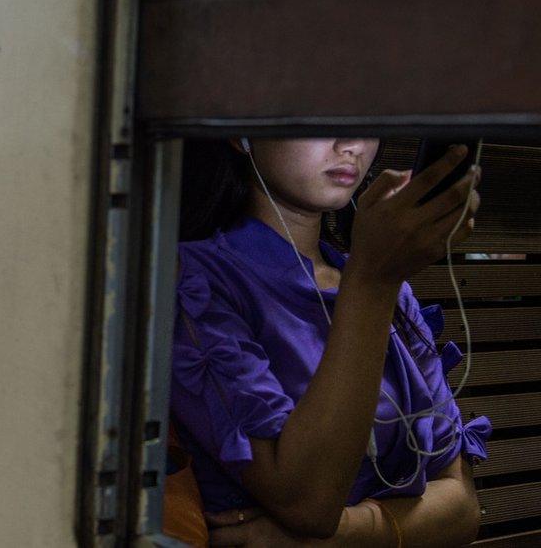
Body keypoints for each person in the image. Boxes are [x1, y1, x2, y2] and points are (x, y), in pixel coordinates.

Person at [168, 138, 491, 546]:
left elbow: (462, 507)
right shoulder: (197, 280)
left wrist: (338, 537)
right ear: (241, 131)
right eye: (320, 110)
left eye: (365, 114)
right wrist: (372, 282)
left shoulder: (385, 285)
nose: (350, 142)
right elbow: (307, 502)